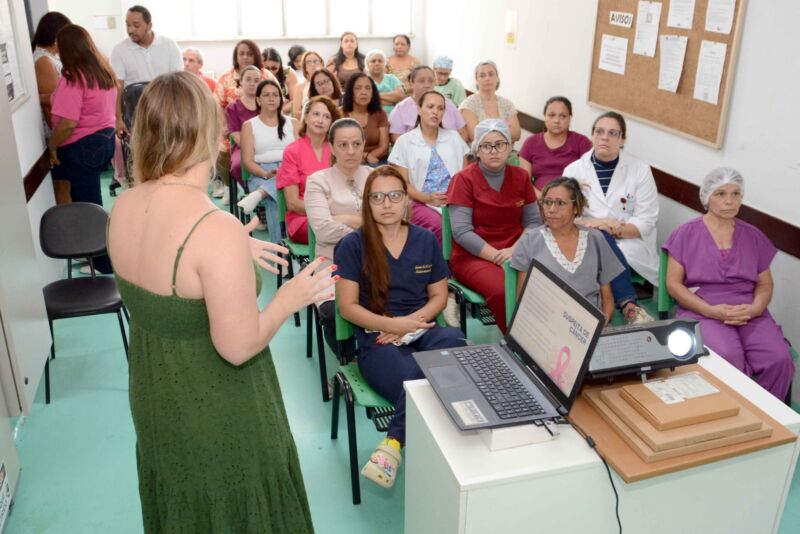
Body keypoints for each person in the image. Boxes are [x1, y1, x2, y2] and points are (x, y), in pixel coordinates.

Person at [108, 71, 332, 533]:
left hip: (155, 394)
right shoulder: (213, 228)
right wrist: (290, 297)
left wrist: (232, 256)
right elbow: (238, 346)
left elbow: (168, 273)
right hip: (215, 409)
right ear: (210, 134)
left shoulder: (124, 206)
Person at [335, 165, 466, 489]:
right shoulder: (352, 245)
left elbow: (439, 294)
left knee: (456, 341)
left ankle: (393, 443)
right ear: (367, 203)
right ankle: (433, 456)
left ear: (407, 200)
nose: (387, 203)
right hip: (377, 337)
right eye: (377, 197)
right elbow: (347, 307)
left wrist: (411, 324)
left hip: (422, 327)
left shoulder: (424, 239)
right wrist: (393, 324)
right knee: (426, 381)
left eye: (395, 195)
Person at [663, 168, 794, 400]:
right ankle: (735, 417)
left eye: (736, 194)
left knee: (779, 359)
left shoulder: (753, 236)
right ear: (707, 198)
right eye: (721, 194)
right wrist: (709, 310)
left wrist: (755, 308)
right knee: (727, 356)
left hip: (748, 310)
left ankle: (767, 414)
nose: (729, 201)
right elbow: (674, 285)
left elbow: (765, 284)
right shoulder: (685, 234)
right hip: (702, 309)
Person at [563, 111, 659, 322]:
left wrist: (613, 229)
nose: (605, 137)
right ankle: (629, 306)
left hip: (630, 242)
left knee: (601, 246)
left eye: (613, 133)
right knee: (599, 238)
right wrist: (601, 225)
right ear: (592, 135)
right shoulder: (574, 170)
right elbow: (564, 216)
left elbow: (647, 220)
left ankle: (593, 318)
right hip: (585, 240)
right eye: (599, 131)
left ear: (622, 140)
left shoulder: (640, 170)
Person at [446, 119, 540, 332]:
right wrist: (498, 257)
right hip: (473, 256)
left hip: (517, 250)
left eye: (500, 144)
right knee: (503, 289)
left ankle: (545, 338)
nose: (494, 150)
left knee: (546, 282)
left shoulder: (521, 176)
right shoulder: (463, 180)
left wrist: (514, 251)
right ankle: (518, 340)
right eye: (486, 145)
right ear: (476, 150)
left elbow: (534, 222)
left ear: (509, 147)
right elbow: (461, 232)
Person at [48, 24, 117, 274]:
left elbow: (68, 123)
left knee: (88, 205)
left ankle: (103, 263)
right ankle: (91, 253)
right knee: (89, 201)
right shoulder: (101, 71)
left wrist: (52, 146)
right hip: (104, 140)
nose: (55, 49)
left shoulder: (73, 77)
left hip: (82, 146)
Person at [511, 178, 623, 324]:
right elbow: (523, 300)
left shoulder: (595, 239)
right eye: (547, 202)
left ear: (575, 207)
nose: (551, 209)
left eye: (560, 203)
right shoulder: (530, 241)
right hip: (546, 326)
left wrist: (602, 325)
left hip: (587, 327)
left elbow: (607, 298)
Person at [305, 118, 371, 353]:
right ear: (331, 147)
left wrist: (345, 218)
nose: (351, 151)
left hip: (377, 262)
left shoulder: (376, 178)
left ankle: (379, 354)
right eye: (343, 145)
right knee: (334, 313)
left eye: (356, 144)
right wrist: (370, 226)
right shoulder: (318, 182)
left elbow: (397, 223)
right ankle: (349, 364)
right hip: (334, 265)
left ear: (364, 145)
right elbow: (323, 229)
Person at [389, 91, 470, 242]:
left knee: (472, 224)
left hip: (455, 202)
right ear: (419, 109)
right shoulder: (404, 142)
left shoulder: (454, 137)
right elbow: (403, 184)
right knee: (441, 227)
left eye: (440, 108)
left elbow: (466, 177)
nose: (435, 112)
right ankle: (443, 265)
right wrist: (427, 198)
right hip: (420, 202)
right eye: (430, 106)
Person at [237, 80, 300, 244]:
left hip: (290, 170)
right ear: (258, 100)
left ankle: (260, 194)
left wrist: (286, 171)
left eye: (275, 95)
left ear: (281, 99)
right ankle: (281, 250)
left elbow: (301, 155)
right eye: (266, 95)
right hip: (261, 173)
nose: (271, 98)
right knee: (277, 196)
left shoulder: (293, 123)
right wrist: (265, 174)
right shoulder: (249, 125)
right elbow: (248, 161)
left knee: (277, 191)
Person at [277, 96, 342, 244]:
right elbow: (293, 202)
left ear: (331, 123)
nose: (320, 120)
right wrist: (326, 213)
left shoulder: (336, 150)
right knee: (345, 232)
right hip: (303, 219)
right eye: (316, 114)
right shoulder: (292, 151)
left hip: (336, 215)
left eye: (326, 116)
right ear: (306, 117)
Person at [110, 5, 181, 136]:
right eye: (128, 25)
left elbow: (179, 83)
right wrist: (118, 119)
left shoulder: (169, 45)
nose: (130, 30)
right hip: (135, 115)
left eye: (136, 25)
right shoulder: (119, 50)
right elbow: (117, 88)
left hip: (166, 112)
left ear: (149, 25)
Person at [519, 96, 593, 195]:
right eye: (551, 115)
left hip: (572, 199)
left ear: (570, 118)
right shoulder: (531, 143)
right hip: (538, 199)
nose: (557, 120)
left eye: (563, 116)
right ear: (545, 117)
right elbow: (524, 182)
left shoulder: (582, 142)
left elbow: (590, 178)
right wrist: (543, 198)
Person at [389, 65, 467, 144]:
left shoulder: (447, 103)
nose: (427, 85)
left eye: (431, 81)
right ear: (411, 83)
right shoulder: (401, 109)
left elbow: (463, 133)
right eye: (421, 81)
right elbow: (397, 140)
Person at [459, 61, 520, 143]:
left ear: (497, 78)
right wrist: (504, 130)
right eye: (482, 75)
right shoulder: (468, 104)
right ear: (476, 80)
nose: (487, 78)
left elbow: (516, 134)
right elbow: (476, 137)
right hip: (477, 154)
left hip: (506, 152)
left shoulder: (507, 104)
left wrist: (487, 131)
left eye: (491, 74)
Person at [32, 11, 71, 132]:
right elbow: (50, 107)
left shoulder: (52, 55)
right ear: (56, 37)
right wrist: (57, 140)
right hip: (60, 132)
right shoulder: (43, 61)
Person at [214, 39, 276, 111]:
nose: (245, 57)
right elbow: (216, 106)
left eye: (249, 54)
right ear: (236, 56)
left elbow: (278, 100)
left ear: (255, 57)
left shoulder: (267, 76)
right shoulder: (225, 78)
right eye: (241, 54)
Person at [341, 73, 389, 165]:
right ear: (351, 92)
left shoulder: (380, 113)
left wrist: (368, 156)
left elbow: (384, 146)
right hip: (348, 160)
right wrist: (361, 156)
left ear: (372, 93)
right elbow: (338, 145)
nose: (364, 92)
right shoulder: (340, 114)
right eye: (358, 88)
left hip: (376, 160)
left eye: (368, 88)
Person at [226, 65, 262, 186]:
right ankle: (251, 189)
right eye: (248, 79)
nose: (252, 83)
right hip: (243, 149)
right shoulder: (233, 108)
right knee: (237, 165)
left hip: (268, 145)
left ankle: (264, 192)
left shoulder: (267, 104)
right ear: (240, 81)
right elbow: (236, 136)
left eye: (256, 80)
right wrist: (256, 149)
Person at [365, 49, 404, 116]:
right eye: (373, 61)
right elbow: (364, 100)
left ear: (384, 64)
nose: (377, 63)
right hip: (371, 117)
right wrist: (391, 101)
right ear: (368, 64)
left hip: (393, 117)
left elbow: (400, 96)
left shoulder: (392, 78)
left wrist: (374, 96)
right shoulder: (364, 80)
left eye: (380, 61)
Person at [262, 47, 298, 112]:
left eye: (274, 68)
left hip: (284, 112)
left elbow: (295, 100)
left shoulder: (289, 73)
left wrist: (279, 112)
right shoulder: (257, 73)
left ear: (280, 65)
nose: (270, 72)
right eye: (267, 68)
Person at [291, 51, 324, 119]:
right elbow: (296, 113)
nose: (312, 64)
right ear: (305, 67)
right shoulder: (300, 86)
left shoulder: (328, 82)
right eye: (308, 62)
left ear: (321, 64)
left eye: (315, 61)